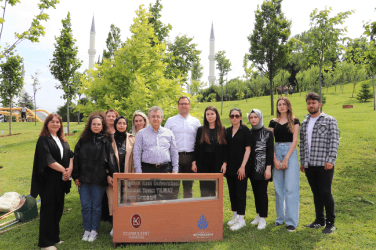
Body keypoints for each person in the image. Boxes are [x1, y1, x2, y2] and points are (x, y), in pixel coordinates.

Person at [30, 114, 73, 250]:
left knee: (58, 209)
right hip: (48, 181)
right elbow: (47, 159)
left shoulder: (62, 139)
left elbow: (70, 155)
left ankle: (54, 237)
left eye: (58, 122)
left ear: (60, 124)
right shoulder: (43, 140)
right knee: (48, 210)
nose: (55, 124)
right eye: (52, 122)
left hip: (61, 180)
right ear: (47, 124)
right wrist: (64, 170)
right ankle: (45, 243)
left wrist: (69, 170)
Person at [73, 112, 116, 242]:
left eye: (99, 124)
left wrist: (111, 175)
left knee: (96, 206)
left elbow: (111, 160)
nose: (96, 126)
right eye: (94, 124)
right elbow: (76, 159)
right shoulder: (82, 141)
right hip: (84, 179)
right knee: (85, 206)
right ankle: (87, 229)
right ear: (89, 125)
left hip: (99, 179)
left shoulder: (106, 142)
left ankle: (94, 230)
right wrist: (76, 176)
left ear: (102, 126)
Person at [300, 92, 339, 234]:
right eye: (309, 103)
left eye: (313, 103)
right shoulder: (305, 123)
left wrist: (331, 160)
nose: (311, 105)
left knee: (325, 192)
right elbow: (303, 144)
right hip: (310, 164)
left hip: (324, 164)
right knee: (316, 192)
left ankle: (330, 222)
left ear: (320, 104)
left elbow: (334, 141)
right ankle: (319, 220)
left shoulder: (330, 120)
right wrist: (303, 162)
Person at [133, 106, 179, 200]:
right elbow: (136, 153)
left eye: (158, 116)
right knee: (147, 198)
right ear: (149, 119)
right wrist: (139, 171)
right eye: (153, 116)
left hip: (165, 169)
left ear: (162, 118)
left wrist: (175, 169)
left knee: (166, 198)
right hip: (147, 169)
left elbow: (174, 152)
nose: (155, 119)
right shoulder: (141, 133)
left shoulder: (169, 133)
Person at [269, 97, 300, 232]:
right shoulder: (273, 122)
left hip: (290, 152)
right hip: (276, 151)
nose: (281, 106)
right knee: (278, 188)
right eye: (279, 104)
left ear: (288, 106)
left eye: (284, 104)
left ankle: (291, 221)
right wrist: (274, 159)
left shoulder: (294, 120)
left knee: (291, 187)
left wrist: (287, 157)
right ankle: (280, 218)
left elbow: (295, 140)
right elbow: (270, 141)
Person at [165, 96, 200, 198]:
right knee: (173, 188)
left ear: (189, 106)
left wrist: (195, 160)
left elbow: (198, 142)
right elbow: (165, 139)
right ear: (178, 106)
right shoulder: (170, 121)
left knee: (188, 188)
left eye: (186, 104)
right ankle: (173, 212)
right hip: (175, 157)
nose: (183, 106)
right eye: (181, 104)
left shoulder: (196, 122)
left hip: (190, 158)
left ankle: (187, 212)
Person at [106, 116, 135, 236]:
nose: (122, 125)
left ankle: (127, 225)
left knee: (128, 201)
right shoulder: (109, 139)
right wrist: (108, 175)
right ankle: (115, 226)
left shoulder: (133, 139)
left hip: (129, 174)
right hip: (113, 176)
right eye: (119, 123)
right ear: (115, 124)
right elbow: (105, 159)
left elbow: (136, 158)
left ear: (127, 125)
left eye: (124, 123)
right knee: (114, 201)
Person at [225, 108, 251, 231]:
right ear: (230, 118)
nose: (234, 118)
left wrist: (243, 167)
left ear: (240, 117)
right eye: (232, 116)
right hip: (230, 168)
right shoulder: (227, 131)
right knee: (232, 192)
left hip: (241, 168)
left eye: (237, 116)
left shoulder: (245, 130)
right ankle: (235, 216)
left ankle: (241, 220)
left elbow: (248, 149)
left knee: (240, 193)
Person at [192, 106, 227, 197]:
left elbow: (225, 149)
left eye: (212, 114)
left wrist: (224, 163)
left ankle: (213, 211)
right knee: (204, 191)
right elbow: (196, 147)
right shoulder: (201, 130)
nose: (210, 116)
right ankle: (204, 211)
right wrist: (194, 162)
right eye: (208, 114)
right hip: (203, 164)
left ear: (216, 115)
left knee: (215, 191)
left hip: (217, 164)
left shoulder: (222, 130)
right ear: (205, 116)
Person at [248, 109, 274, 230]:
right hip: (252, 168)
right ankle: (258, 215)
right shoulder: (249, 133)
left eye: (255, 117)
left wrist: (268, 168)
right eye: (251, 117)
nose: (253, 119)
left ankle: (263, 218)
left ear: (260, 118)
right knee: (255, 192)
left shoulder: (268, 133)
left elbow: (270, 152)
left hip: (263, 167)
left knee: (262, 193)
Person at [102, 109, 119, 222]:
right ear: (105, 117)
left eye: (114, 116)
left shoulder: (120, 131)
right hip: (104, 165)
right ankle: (106, 216)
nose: (111, 118)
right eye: (109, 116)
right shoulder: (101, 131)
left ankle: (116, 215)